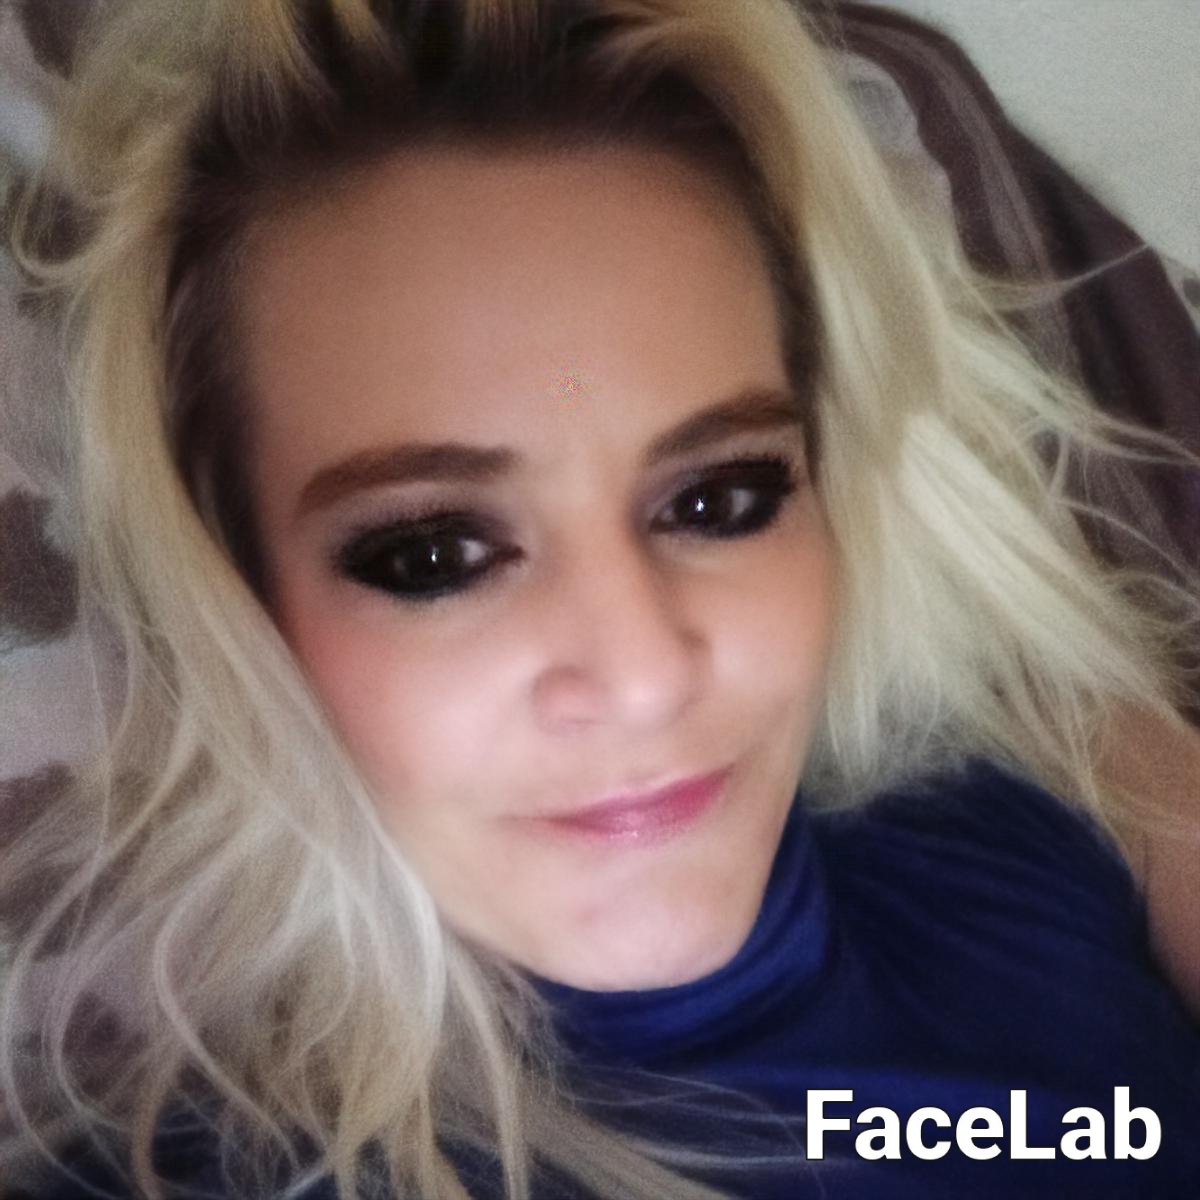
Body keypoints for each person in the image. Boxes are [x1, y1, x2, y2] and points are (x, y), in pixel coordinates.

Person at [1, 0, 1198, 1196]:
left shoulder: (1057, 807)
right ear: (242, 588)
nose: (644, 672)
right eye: (434, 555)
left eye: (720, 499)